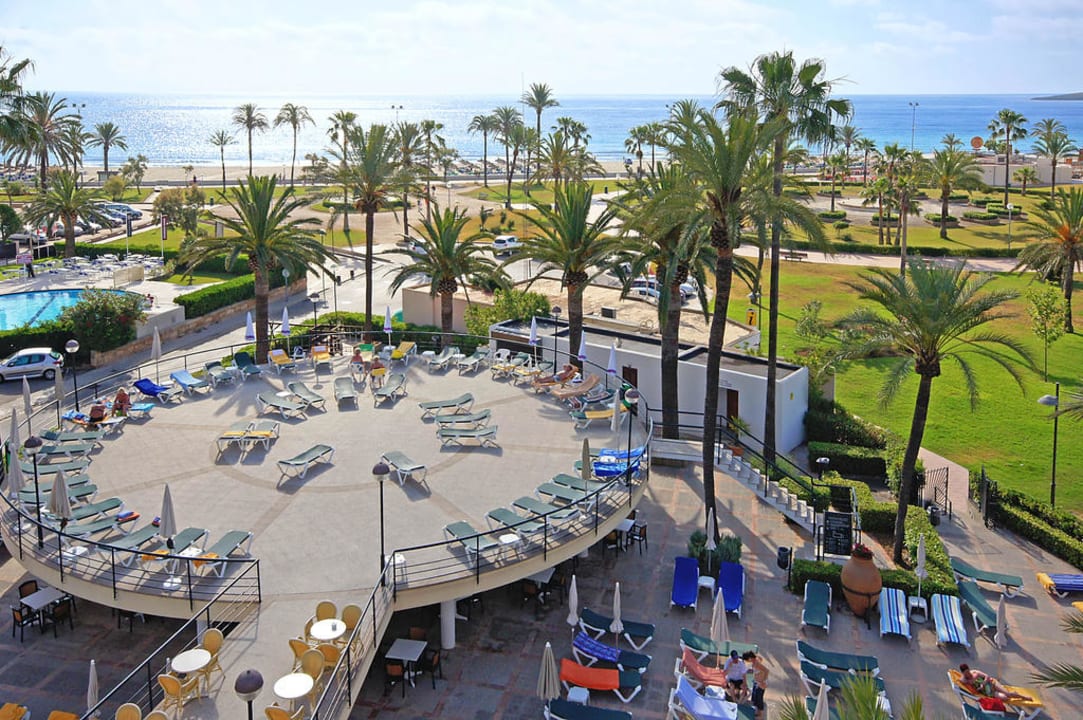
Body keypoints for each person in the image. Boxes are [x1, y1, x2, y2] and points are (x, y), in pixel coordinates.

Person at [959, 663, 1028, 701]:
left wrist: (983, 684)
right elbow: (960, 681)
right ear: (963, 673)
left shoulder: (975, 673)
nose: (968, 674)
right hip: (989, 692)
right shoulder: (965, 679)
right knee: (1005, 698)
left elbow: (987, 676)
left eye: (968, 671)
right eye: (965, 673)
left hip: (991, 683)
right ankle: (1007, 692)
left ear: (969, 669)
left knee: (1008, 694)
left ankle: (1024, 697)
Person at [743, 651, 769, 716]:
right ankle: (756, 711)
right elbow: (761, 659)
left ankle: (760, 714)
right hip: (756, 682)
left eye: (747, 660)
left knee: (759, 699)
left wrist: (763, 681)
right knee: (754, 697)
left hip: (760, 683)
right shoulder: (755, 661)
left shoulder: (756, 664)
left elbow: (766, 670)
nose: (747, 662)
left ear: (749, 658)